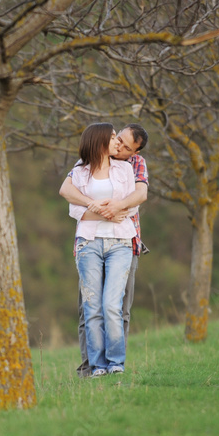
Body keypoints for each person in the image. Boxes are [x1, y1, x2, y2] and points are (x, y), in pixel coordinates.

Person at [60, 123, 149, 378]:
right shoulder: (81, 168)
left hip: (122, 242)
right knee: (90, 308)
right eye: (116, 138)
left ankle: (115, 363)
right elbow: (70, 201)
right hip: (89, 242)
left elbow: (138, 197)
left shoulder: (128, 166)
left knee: (115, 306)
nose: (118, 145)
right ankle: (94, 367)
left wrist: (116, 208)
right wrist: (95, 207)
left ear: (133, 152)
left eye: (125, 145)